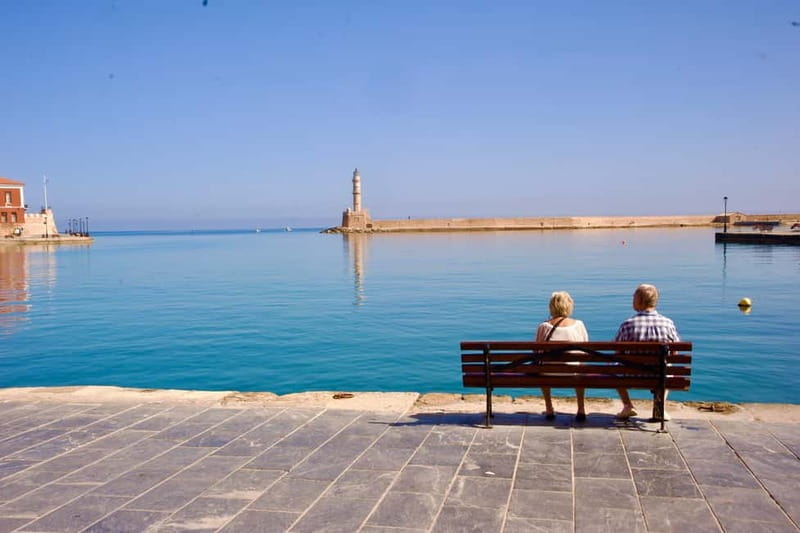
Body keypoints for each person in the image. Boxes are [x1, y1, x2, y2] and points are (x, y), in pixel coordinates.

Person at [614, 284, 680, 420]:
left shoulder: (628, 324)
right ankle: (660, 406)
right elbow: (675, 353)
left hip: (631, 375)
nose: (632, 299)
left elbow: (617, 352)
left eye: (634, 297)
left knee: (613, 367)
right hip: (660, 375)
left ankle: (627, 405)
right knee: (668, 367)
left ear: (640, 301)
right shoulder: (668, 323)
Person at [535, 291, 589, 421]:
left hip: (549, 373)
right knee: (581, 368)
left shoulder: (544, 326)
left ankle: (549, 408)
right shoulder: (579, 325)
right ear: (569, 306)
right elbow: (586, 352)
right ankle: (581, 409)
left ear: (551, 307)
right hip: (573, 372)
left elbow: (536, 352)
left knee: (541, 369)